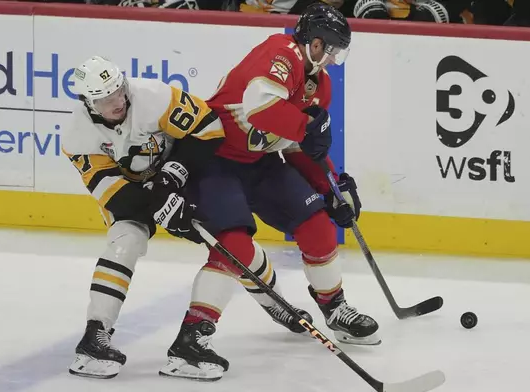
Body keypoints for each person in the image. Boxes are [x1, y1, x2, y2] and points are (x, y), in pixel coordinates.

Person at [159, 3, 380, 382]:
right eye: (331, 48)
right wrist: (304, 129)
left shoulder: (319, 83)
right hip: (214, 160)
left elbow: (299, 147)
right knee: (234, 247)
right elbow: (260, 107)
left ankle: (335, 307)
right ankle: (190, 340)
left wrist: (329, 186)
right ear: (314, 42)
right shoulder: (280, 52)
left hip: (260, 162)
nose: (332, 58)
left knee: (317, 225)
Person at [62, 55, 225, 379]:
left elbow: (210, 129)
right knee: (126, 240)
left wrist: (172, 177)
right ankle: (95, 334)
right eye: (107, 98)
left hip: (184, 174)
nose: (118, 101)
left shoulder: (154, 96)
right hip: (137, 193)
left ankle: (271, 303)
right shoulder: (77, 138)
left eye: (119, 90)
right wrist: (163, 210)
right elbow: (119, 199)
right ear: (89, 102)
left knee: (229, 233)